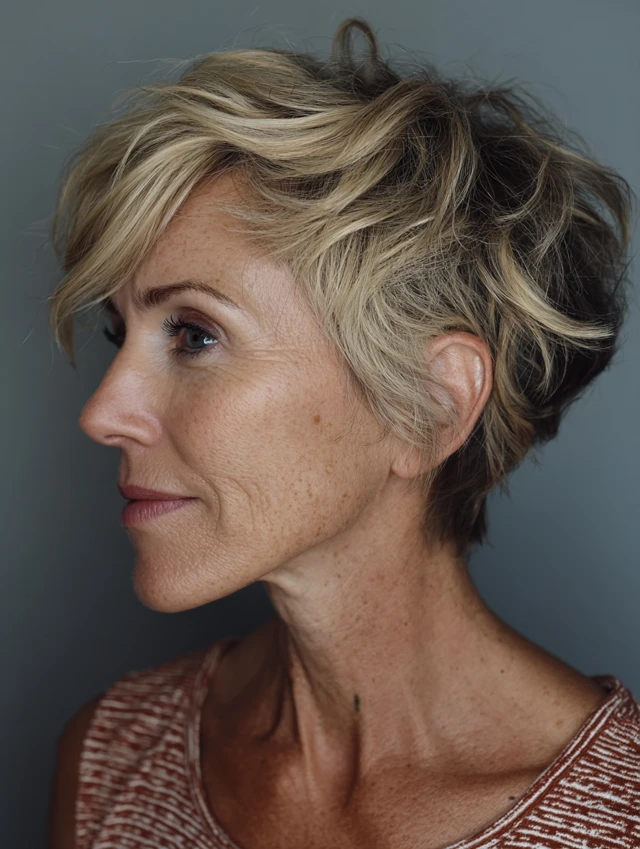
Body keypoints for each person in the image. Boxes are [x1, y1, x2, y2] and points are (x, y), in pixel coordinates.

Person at [46, 16, 639, 849]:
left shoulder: (621, 819)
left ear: (430, 405)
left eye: (194, 334)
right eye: (122, 335)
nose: (102, 412)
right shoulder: (112, 759)